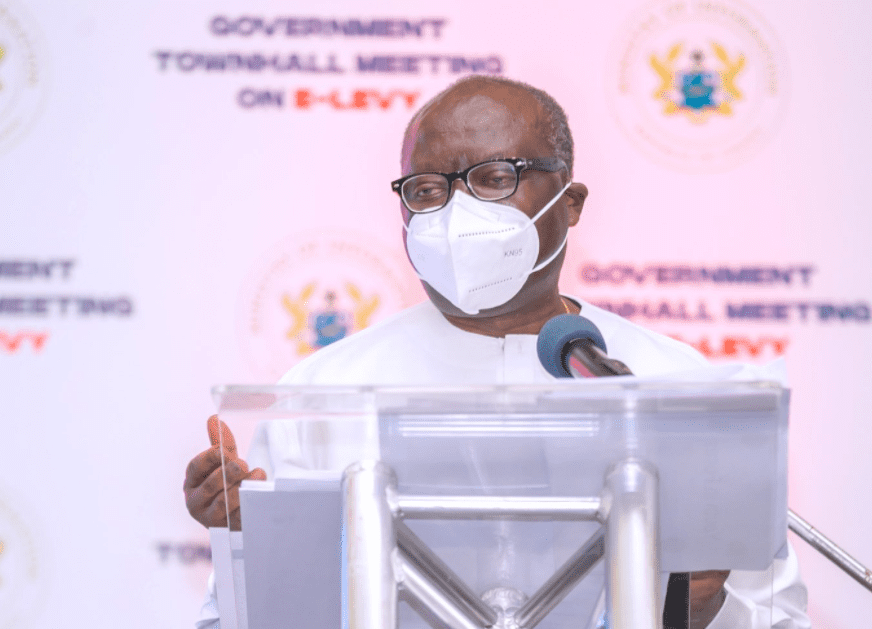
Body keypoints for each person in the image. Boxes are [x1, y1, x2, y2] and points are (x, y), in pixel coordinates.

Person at [184, 75, 810, 629]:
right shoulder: (323, 393)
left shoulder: (674, 385)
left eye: (493, 179)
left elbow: (778, 617)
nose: (455, 212)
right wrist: (246, 550)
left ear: (569, 203)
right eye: (426, 190)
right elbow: (232, 621)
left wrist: (700, 611)